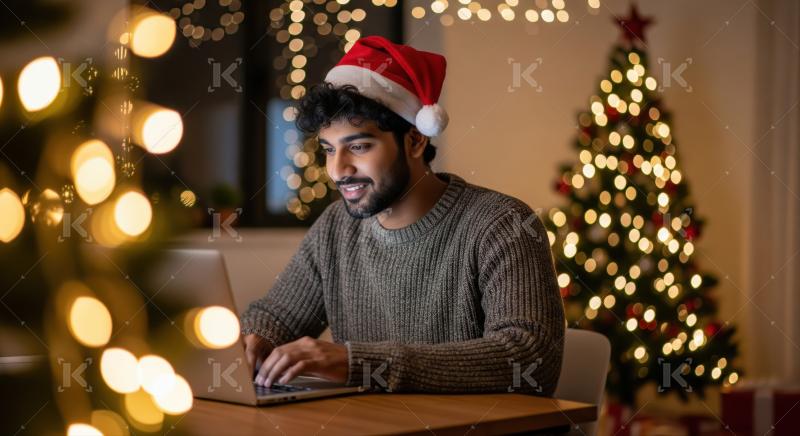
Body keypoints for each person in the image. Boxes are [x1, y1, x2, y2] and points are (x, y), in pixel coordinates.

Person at [240, 35, 565, 395]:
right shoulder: (336, 226)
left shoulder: (503, 224)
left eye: (359, 147)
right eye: (329, 150)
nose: (338, 170)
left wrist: (359, 363)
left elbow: (530, 360)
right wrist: (257, 339)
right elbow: (276, 316)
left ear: (415, 140)